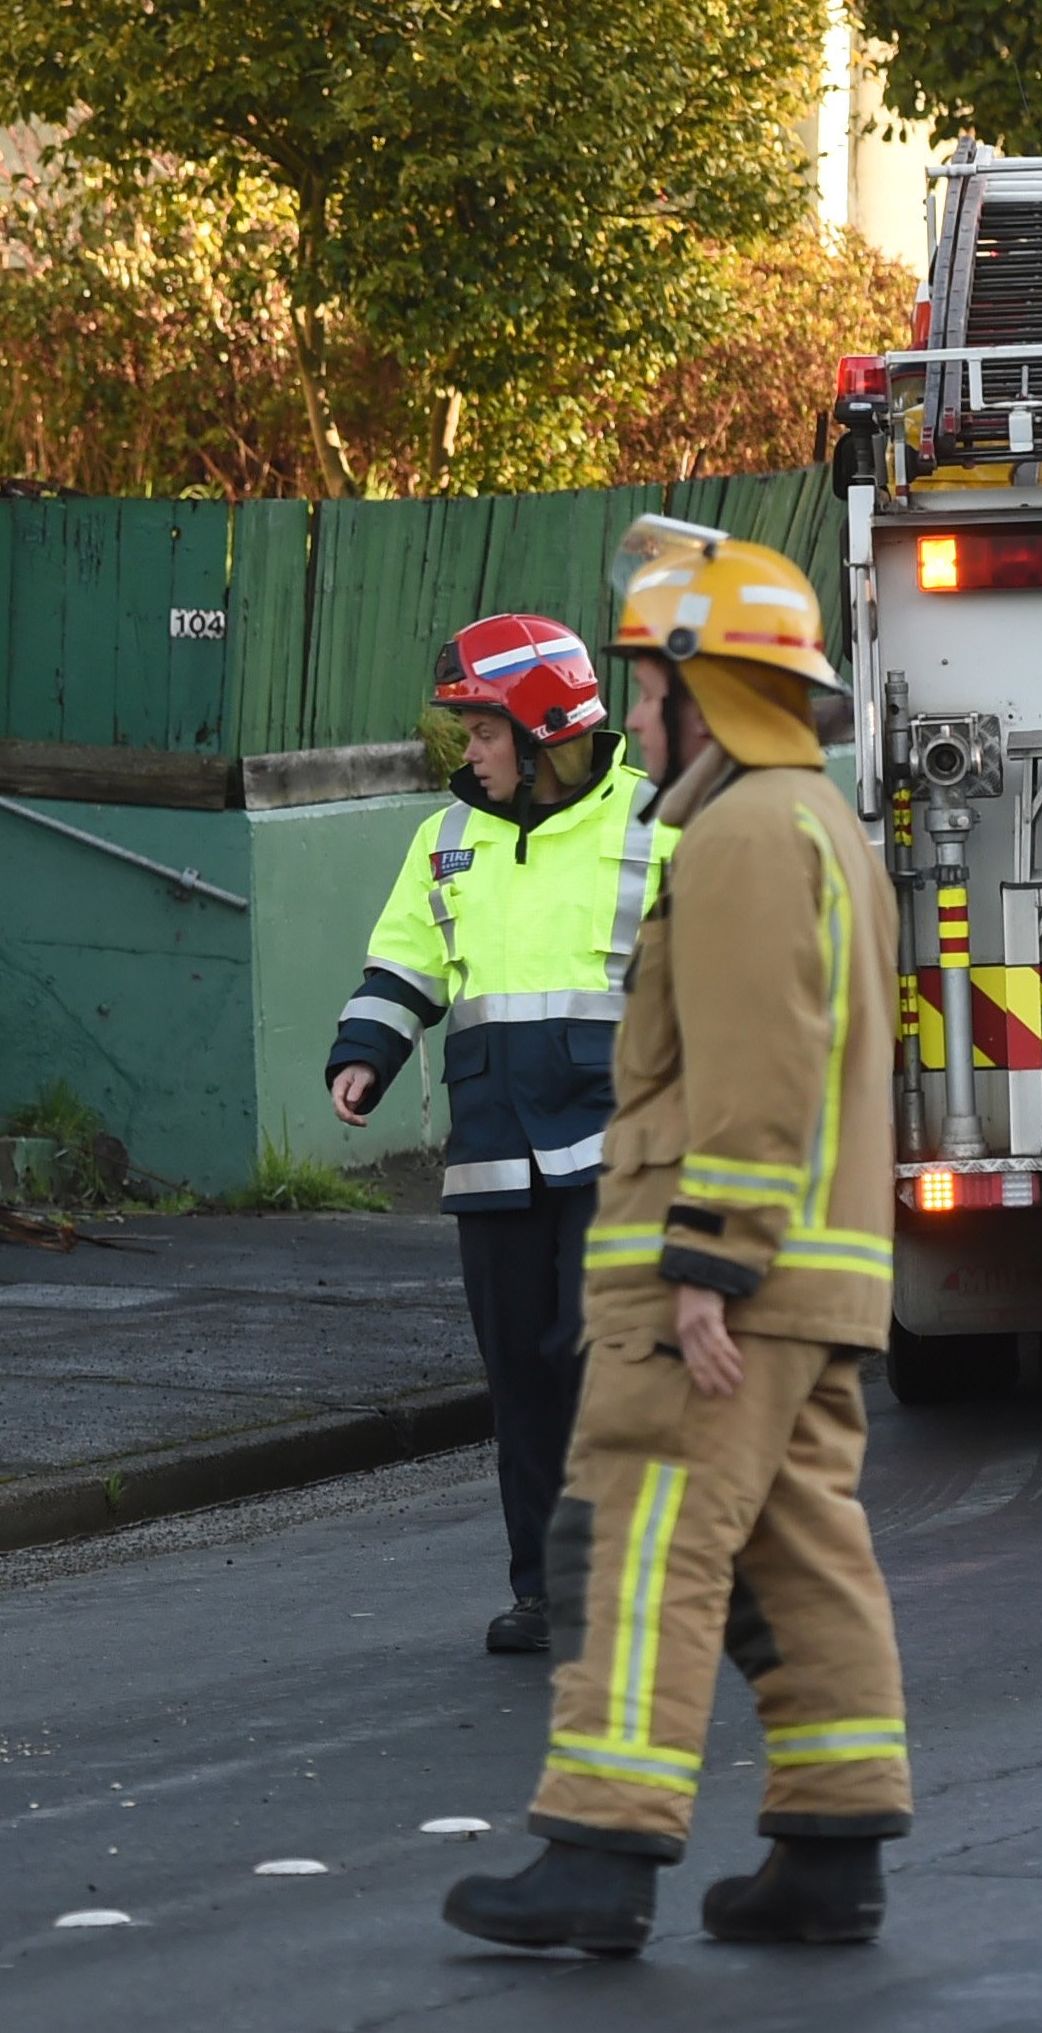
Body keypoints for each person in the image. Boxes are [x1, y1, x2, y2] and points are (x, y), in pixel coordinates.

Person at [441, 518, 910, 1956]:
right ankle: (831, 1852)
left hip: (721, 1278)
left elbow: (758, 1064)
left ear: (716, 692)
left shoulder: (746, 835)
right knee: (793, 1550)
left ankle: (598, 1853)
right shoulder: (812, 820)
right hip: (812, 1275)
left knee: (631, 1538)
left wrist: (710, 1257)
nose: (634, 713)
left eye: (652, 689)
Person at [327, 613, 666, 1658]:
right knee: (521, 1375)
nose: (466, 750)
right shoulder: (448, 837)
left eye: (481, 730)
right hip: (493, 1154)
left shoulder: (656, 826)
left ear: (541, 725)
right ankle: (547, 1590)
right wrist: (365, 1053)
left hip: (616, 1149)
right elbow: (405, 962)